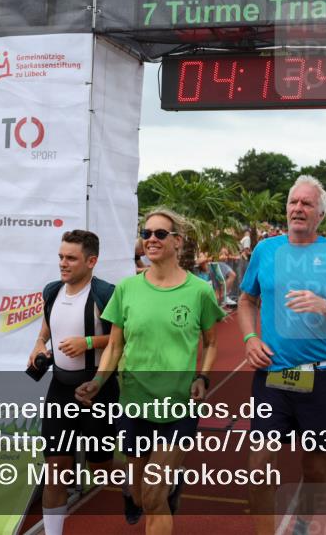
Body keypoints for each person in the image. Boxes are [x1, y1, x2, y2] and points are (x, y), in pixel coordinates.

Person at [76, 209, 222, 535]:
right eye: (146, 233)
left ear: (177, 241)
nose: (151, 240)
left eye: (159, 234)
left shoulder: (199, 291)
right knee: (141, 497)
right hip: (134, 402)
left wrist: (203, 377)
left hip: (178, 406)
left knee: (155, 496)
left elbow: (211, 343)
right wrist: (99, 381)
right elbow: (114, 346)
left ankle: (167, 486)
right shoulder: (127, 288)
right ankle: (169, 485)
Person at [237, 175, 326, 535]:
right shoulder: (266, 250)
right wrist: (248, 337)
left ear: (320, 214)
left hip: (320, 377)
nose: (298, 208)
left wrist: (324, 305)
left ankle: (303, 522)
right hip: (272, 375)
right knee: (258, 463)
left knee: (316, 468)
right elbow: (246, 300)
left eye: (307, 203)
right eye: (293, 202)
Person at [26, 230, 121, 535]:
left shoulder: (105, 293)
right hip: (60, 389)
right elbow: (46, 327)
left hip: (97, 390)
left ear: (91, 261)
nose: (63, 264)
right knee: (55, 470)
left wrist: (89, 342)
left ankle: (147, 489)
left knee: (101, 469)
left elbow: (124, 339)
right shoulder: (52, 291)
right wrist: (39, 344)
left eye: (71, 258)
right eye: (61, 257)